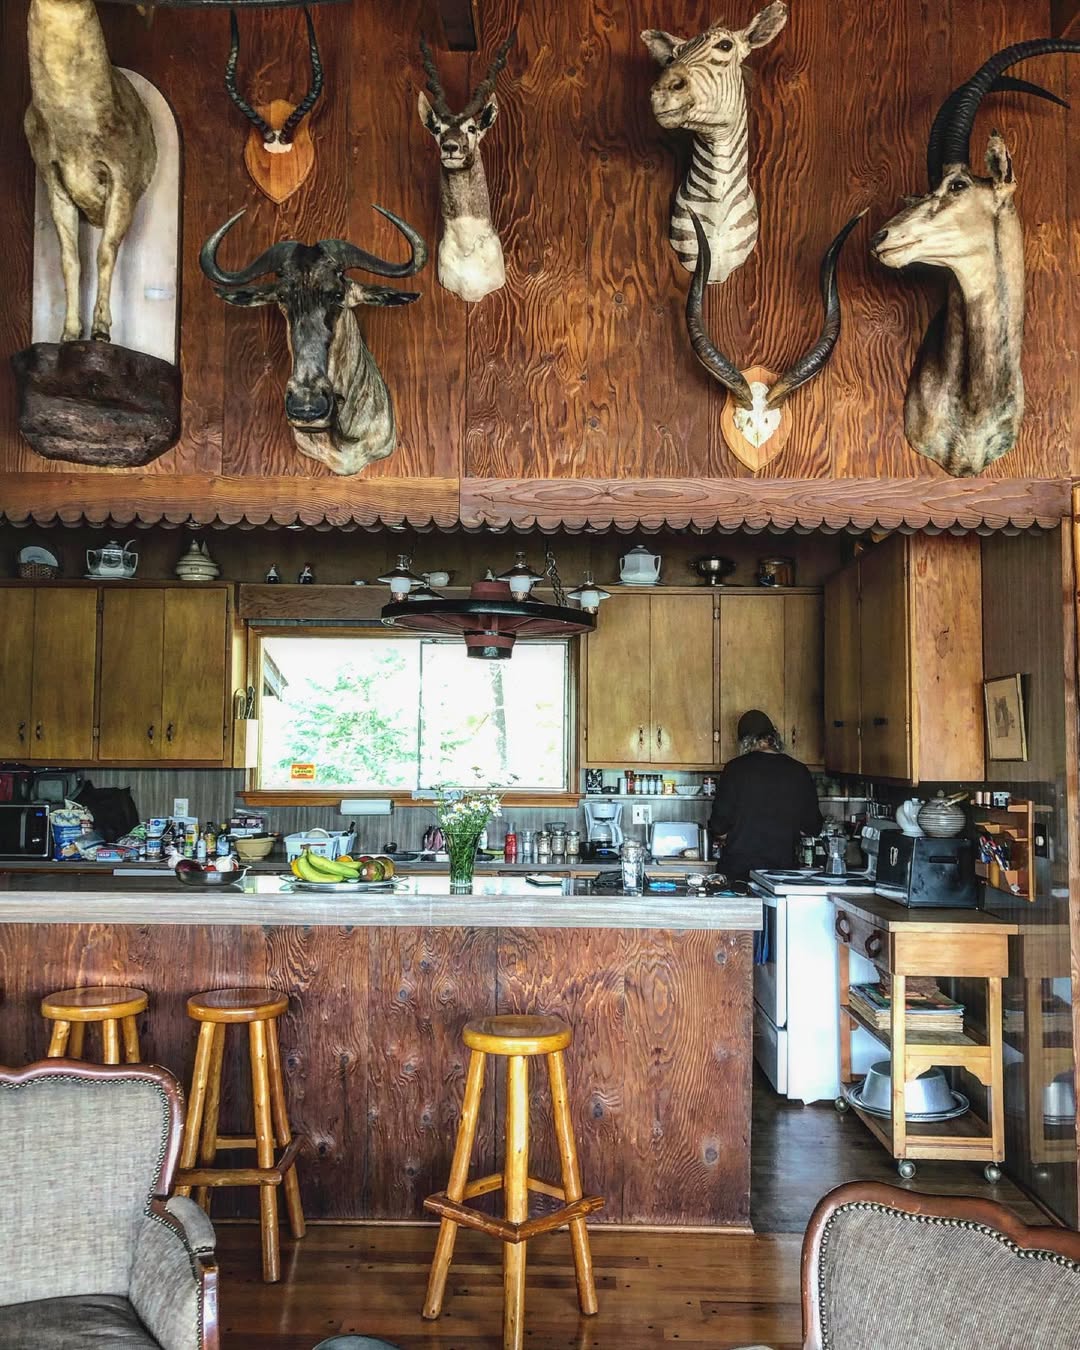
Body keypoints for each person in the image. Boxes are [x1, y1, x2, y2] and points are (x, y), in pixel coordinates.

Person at [709, 709, 822, 882]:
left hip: (739, 871)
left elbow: (719, 826)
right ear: (773, 738)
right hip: (783, 873)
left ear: (745, 742)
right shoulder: (799, 771)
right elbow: (812, 827)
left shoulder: (735, 769)